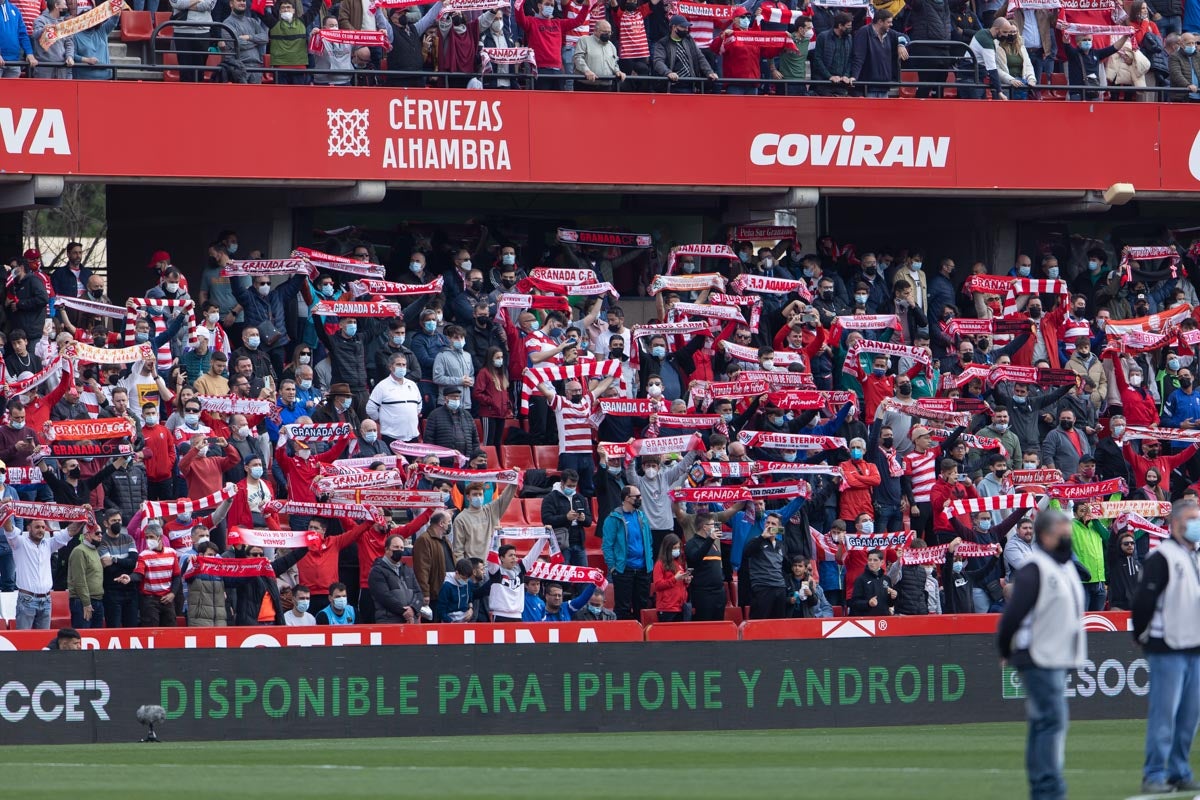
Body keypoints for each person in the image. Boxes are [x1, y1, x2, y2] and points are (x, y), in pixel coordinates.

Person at [997, 509, 1087, 800]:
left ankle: (1042, 788)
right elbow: (1013, 614)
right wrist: (1004, 647)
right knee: (1052, 721)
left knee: (1042, 723)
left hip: (1056, 653)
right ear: (1046, 536)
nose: (1068, 537)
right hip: (1038, 654)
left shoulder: (1064, 566)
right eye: (1063, 532)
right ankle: (1049, 789)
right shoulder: (1035, 568)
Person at [1132, 500, 1200, 793]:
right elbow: (1143, 601)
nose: (1196, 523)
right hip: (1167, 643)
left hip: (1194, 644)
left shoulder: (1195, 556)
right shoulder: (1162, 557)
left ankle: (1179, 770)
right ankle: (1154, 773)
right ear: (1173, 524)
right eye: (1190, 518)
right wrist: (1143, 635)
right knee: (1165, 714)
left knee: (1189, 716)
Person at [6, 517, 74, 629]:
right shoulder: (19, 543)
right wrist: (4, 510)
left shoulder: (49, 544)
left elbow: (70, 532)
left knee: (44, 641)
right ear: (28, 528)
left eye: (43, 527)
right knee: (23, 641)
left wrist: (83, 517)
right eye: (37, 527)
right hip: (26, 600)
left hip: (46, 600)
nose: (41, 530)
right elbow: (9, 529)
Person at [602, 485, 653, 620]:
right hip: (624, 570)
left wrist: (649, 562)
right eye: (637, 496)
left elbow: (649, 542)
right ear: (626, 498)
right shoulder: (613, 519)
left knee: (642, 606)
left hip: (643, 569)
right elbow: (607, 546)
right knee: (622, 607)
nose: (640, 499)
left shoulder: (642, 516)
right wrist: (613, 567)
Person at [651, 14, 718, 91]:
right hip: (672, 86)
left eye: (687, 27)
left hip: (691, 85)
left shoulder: (689, 40)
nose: (686, 29)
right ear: (674, 27)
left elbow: (700, 57)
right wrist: (668, 73)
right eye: (683, 27)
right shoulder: (662, 43)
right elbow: (658, 62)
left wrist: (709, 72)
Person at [369, 534, 422, 624]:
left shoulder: (408, 570)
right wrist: (404, 612)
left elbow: (419, 593)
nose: (399, 550)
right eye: (396, 547)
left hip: (412, 622)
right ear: (386, 549)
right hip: (389, 622)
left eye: (401, 548)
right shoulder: (377, 571)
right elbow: (384, 596)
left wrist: (413, 609)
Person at [850, 8, 905, 97]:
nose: (891, 24)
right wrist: (854, 77)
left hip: (884, 86)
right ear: (880, 22)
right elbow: (858, 57)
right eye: (889, 22)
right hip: (868, 87)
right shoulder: (864, 32)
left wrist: (901, 45)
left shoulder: (889, 33)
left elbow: (904, 36)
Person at [66, 524, 105, 629]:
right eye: (97, 533)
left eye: (101, 533)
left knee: (97, 638)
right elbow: (79, 580)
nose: (100, 535)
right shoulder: (79, 551)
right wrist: (86, 603)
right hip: (83, 602)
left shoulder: (94, 550)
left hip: (97, 600)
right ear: (87, 535)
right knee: (83, 638)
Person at [652, 533, 691, 621]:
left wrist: (686, 582)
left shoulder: (679, 563)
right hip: (667, 608)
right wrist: (674, 579)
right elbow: (658, 585)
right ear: (667, 548)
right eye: (674, 548)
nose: (677, 550)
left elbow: (679, 584)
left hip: (680, 607)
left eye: (678, 547)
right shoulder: (660, 564)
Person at [849, 549, 896, 616]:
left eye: (875, 560)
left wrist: (893, 597)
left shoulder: (886, 579)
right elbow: (854, 603)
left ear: (882, 562)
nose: (872, 562)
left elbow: (890, 603)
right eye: (869, 560)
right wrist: (868, 603)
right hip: (866, 620)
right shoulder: (861, 579)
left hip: (883, 620)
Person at [1169, 32, 1200, 100]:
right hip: (1182, 96)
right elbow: (1176, 74)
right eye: (1188, 43)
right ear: (1181, 44)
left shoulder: (1198, 55)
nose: (1192, 45)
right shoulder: (1174, 56)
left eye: (1193, 43)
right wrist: (1187, 85)